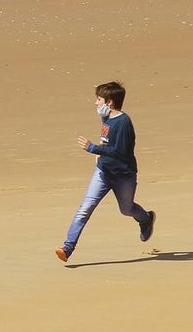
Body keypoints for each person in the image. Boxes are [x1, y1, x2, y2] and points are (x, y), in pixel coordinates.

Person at [57, 81, 157, 262]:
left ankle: (146, 219)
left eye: (99, 99)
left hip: (123, 176)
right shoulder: (107, 119)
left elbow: (120, 151)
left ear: (109, 102)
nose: (96, 103)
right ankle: (67, 248)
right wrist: (100, 152)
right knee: (84, 209)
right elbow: (107, 141)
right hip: (103, 173)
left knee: (126, 209)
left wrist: (93, 148)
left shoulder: (124, 122)